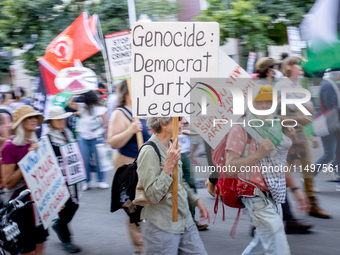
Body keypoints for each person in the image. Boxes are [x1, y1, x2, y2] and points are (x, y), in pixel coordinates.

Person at [222, 85, 308, 254]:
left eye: (269, 101)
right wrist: (259, 154)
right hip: (254, 196)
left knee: (261, 244)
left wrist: (296, 190)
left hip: (275, 195)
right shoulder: (240, 128)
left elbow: (280, 164)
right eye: (259, 102)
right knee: (279, 248)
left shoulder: (275, 128)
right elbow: (230, 167)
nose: (264, 105)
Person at [137, 117, 210, 255]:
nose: (184, 121)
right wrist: (168, 165)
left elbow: (179, 182)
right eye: (179, 118)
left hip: (184, 221)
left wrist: (197, 200)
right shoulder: (149, 151)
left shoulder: (171, 145)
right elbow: (153, 195)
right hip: (161, 227)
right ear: (163, 123)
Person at [276, 57, 331, 219]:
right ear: (288, 67)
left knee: (305, 167)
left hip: (299, 130)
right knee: (284, 171)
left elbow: (310, 107)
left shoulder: (297, 85)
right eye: (297, 65)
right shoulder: (282, 85)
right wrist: (301, 107)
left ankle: (311, 203)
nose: (301, 68)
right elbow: (298, 107)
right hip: (286, 131)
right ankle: (279, 205)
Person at [107, 80, 150, 255]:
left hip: (145, 167)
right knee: (133, 208)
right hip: (127, 170)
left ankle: (149, 244)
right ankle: (140, 247)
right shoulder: (120, 113)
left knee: (147, 206)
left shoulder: (143, 110)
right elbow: (112, 142)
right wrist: (131, 130)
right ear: (128, 93)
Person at [1, 105, 48, 255]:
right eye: (29, 117)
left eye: (35, 117)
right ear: (21, 123)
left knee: (40, 245)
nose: (34, 120)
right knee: (28, 250)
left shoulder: (36, 144)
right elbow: (8, 183)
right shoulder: (10, 146)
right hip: (20, 206)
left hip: (38, 204)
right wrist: (27, 160)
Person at [46, 106, 81, 253]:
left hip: (72, 178)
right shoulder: (47, 138)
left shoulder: (68, 133)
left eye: (63, 118)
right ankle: (67, 240)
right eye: (58, 119)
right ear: (51, 122)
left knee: (74, 205)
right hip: (58, 180)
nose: (61, 121)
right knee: (63, 208)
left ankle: (59, 225)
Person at [68, 90, 109, 190]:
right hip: (83, 137)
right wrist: (75, 93)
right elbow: (69, 103)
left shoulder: (100, 109)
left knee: (99, 160)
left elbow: (105, 124)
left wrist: (106, 138)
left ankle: (101, 180)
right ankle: (87, 182)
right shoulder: (81, 107)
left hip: (97, 137)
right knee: (85, 161)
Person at [315, 70, 340, 191]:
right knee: (329, 154)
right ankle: (309, 177)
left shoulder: (328, 83)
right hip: (330, 124)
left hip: (332, 124)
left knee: (335, 153)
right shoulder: (328, 84)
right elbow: (331, 106)